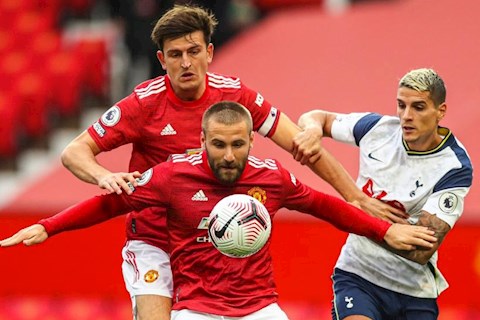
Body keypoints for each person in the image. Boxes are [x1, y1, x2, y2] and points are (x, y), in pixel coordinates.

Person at [59, 4, 403, 320]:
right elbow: (74, 152)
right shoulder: (142, 104)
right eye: (176, 55)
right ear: (162, 60)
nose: (186, 63)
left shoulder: (236, 96)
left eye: (194, 51)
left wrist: (354, 197)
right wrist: (103, 175)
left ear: (209, 52)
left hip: (212, 241)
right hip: (155, 241)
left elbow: (301, 145)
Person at [0, 102, 437, 320]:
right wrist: (46, 227)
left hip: (260, 308)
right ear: (203, 141)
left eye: (238, 144)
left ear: (251, 140)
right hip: (197, 310)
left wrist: (385, 231)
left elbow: (326, 206)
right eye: (219, 144)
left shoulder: (271, 177)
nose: (229, 155)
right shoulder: (171, 176)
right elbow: (110, 202)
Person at [295, 68, 473, 320]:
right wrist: (313, 130)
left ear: (440, 111)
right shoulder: (378, 129)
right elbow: (316, 117)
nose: (406, 116)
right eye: (401, 105)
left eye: (419, 107)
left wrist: (359, 218)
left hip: (414, 291)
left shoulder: (454, 167)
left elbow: (421, 250)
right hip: (358, 275)